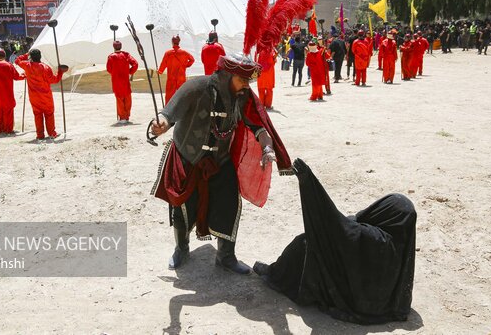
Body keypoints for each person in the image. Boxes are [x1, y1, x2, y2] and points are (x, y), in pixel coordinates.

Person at [150, 54, 292, 275]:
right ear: (227, 75)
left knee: (229, 205)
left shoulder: (243, 96)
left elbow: (259, 126)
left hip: (220, 160)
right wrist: (161, 123)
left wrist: (267, 147)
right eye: (242, 79)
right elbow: (169, 113)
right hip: (188, 156)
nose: (246, 85)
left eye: (247, 80)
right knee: (183, 208)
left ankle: (226, 256)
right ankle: (181, 248)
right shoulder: (196, 87)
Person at [253, 159, 416, 325]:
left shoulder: (372, 237)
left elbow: (333, 224)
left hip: (352, 298)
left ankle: (276, 276)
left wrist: (309, 183)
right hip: (375, 301)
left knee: (306, 243)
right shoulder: (400, 244)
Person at [15, 49, 67, 140]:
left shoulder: (27, 65)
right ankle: (51, 133)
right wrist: (60, 72)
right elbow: (54, 80)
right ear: (40, 57)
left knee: (37, 115)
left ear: (30, 57)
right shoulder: (45, 67)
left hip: (34, 97)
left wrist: (26, 54)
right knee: (49, 114)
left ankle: (40, 135)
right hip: (46, 96)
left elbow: (17, 61)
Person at [0, 48, 25, 135]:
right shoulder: (9, 65)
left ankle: (0, 129)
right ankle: (8, 129)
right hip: (8, 92)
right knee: (8, 110)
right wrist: (24, 76)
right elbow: (16, 77)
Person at [106, 41, 138, 124]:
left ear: (114, 47)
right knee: (127, 97)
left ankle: (122, 117)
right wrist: (129, 71)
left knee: (119, 99)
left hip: (116, 80)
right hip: (125, 79)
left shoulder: (111, 57)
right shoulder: (126, 55)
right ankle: (127, 116)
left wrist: (114, 73)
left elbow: (109, 69)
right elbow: (135, 64)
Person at [158, 35, 195, 105]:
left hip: (171, 77)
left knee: (169, 94)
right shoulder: (184, 53)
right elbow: (192, 60)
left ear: (172, 42)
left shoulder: (168, 53)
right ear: (179, 42)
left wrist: (160, 71)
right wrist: (186, 65)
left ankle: (168, 108)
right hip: (181, 77)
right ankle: (182, 107)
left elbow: (163, 64)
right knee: (182, 93)